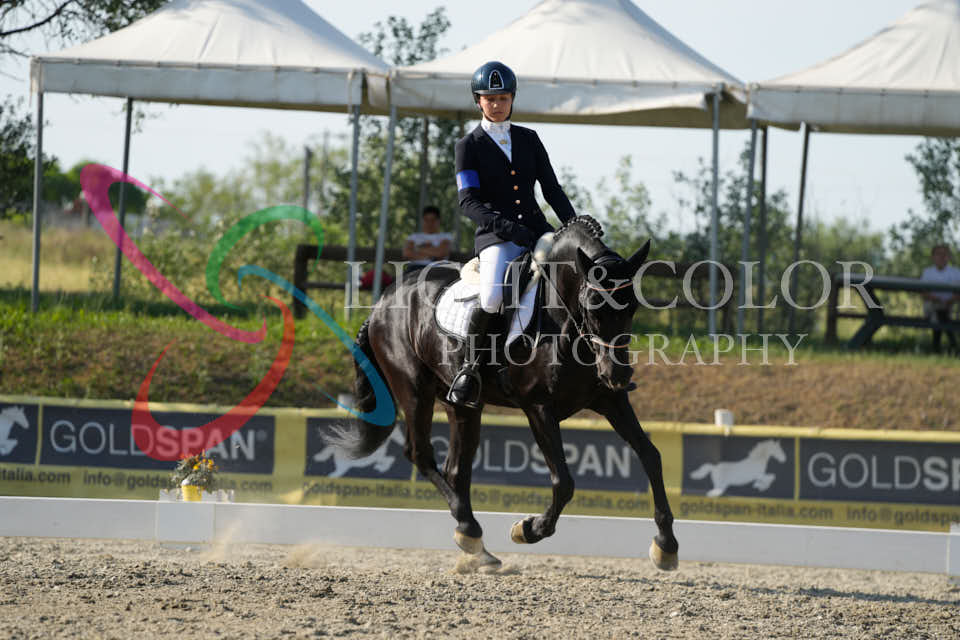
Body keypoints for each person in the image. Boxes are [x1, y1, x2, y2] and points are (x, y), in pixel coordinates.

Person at [446, 60, 577, 409]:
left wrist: (574, 226)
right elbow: (468, 201)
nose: (497, 104)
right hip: (497, 238)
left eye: (503, 98)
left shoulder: (528, 139)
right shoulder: (468, 145)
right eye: (490, 99)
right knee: (492, 297)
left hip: (538, 232)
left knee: (572, 280)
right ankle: (471, 368)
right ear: (478, 101)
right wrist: (506, 228)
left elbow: (552, 189)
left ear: (512, 99)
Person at [920, 244, 960, 353]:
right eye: (938, 254)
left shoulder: (956, 272)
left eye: (944, 254)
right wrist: (937, 300)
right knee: (940, 313)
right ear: (933, 256)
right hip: (932, 305)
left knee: (939, 315)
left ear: (949, 256)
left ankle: (936, 347)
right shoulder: (927, 272)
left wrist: (949, 301)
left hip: (951, 306)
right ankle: (953, 345)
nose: (942, 257)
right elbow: (923, 293)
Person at [402, 205, 452, 274]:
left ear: (439, 221)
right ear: (422, 220)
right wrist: (432, 255)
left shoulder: (446, 236)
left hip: (436, 269)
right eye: (426, 220)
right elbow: (407, 253)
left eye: (433, 220)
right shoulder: (413, 237)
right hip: (414, 269)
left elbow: (441, 253)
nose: (429, 223)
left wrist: (418, 249)